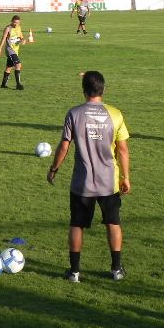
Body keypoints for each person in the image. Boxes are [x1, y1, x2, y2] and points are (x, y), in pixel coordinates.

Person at [47, 71, 130, 283]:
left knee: (77, 225)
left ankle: (74, 272)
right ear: (103, 89)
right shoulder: (115, 114)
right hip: (109, 182)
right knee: (113, 222)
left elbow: (64, 145)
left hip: (82, 183)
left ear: (83, 90)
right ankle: (117, 270)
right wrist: (126, 177)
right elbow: (122, 150)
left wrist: (54, 169)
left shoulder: (74, 114)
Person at [0, 15, 26, 90]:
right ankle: (18, 84)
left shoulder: (19, 27)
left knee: (9, 67)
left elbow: (21, 37)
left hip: (16, 50)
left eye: (17, 23)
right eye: (15, 22)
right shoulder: (8, 28)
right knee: (18, 65)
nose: (16, 24)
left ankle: (3, 85)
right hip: (10, 50)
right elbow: (3, 40)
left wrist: (23, 40)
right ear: (12, 21)